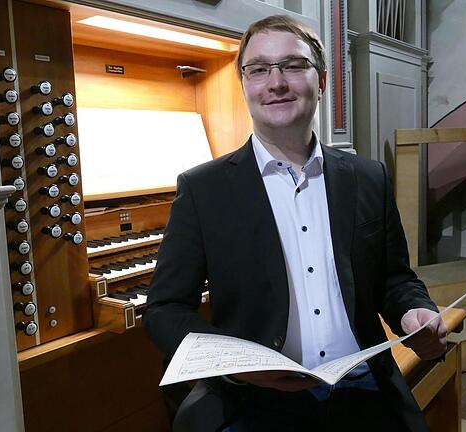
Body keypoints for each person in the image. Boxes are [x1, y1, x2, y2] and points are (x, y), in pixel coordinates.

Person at [143, 14, 446, 432]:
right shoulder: (202, 190)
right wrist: (238, 366)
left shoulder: (368, 176)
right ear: (245, 85)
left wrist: (415, 311)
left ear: (321, 81)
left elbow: (395, 278)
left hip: (363, 387)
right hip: (254, 398)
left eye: (293, 65)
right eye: (259, 69)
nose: (276, 82)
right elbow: (164, 309)